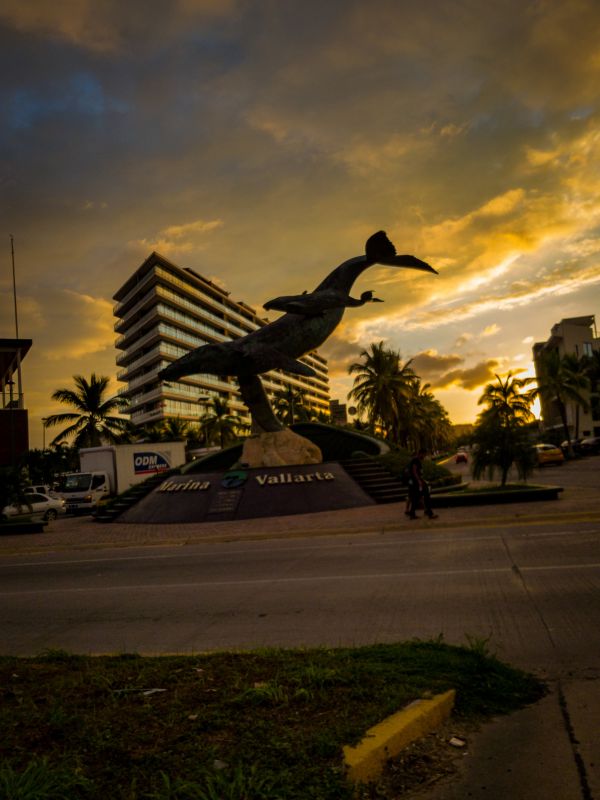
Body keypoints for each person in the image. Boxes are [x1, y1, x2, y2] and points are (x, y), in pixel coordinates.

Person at [405, 449, 438, 520]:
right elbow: (414, 471)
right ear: (420, 453)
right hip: (417, 482)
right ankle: (430, 513)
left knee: (416, 498)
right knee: (426, 496)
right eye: (424, 455)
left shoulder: (417, 460)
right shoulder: (415, 460)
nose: (424, 456)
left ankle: (412, 513)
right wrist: (419, 480)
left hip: (417, 481)